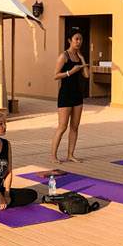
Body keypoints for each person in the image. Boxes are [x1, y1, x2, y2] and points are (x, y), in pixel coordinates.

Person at [50, 32, 87, 162]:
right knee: (62, 127)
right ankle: (53, 156)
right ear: (69, 40)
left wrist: (82, 59)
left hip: (77, 95)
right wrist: (70, 72)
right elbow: (55, 75)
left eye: (80, 39)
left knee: (75, 127)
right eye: (76, 39)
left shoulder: (79, 56)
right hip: (65, 94)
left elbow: (87, 75)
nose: (79, 41)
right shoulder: (63, 56)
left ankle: (70, 154)